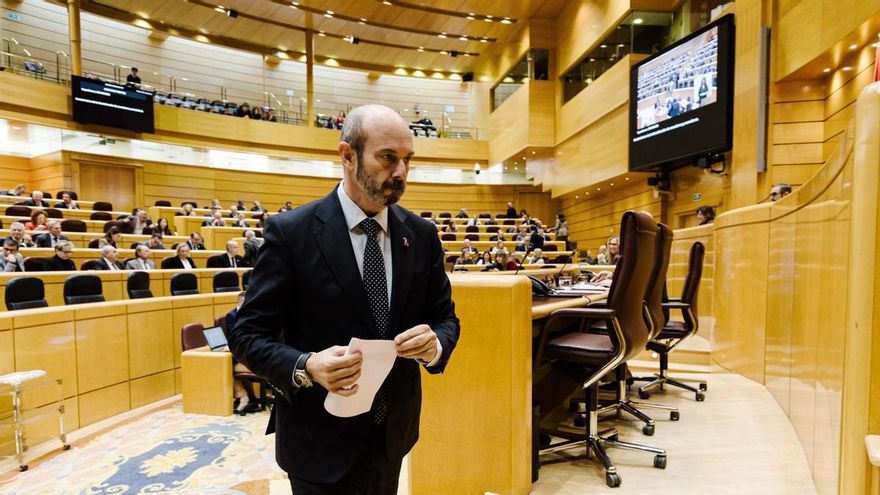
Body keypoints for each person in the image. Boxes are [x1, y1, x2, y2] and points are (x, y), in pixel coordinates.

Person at [228, 104, 460, 494]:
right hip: (317, 441)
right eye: (387, 157)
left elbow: (445, 319)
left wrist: (434, 343)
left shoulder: (421, 234)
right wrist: (307, 365)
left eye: (407, 160)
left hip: (392, 436)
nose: (400, 172)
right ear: (347, 155)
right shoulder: (291, 233)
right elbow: (247, 333)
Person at [226, 292, 263, 415]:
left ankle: (246, 396)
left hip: (252, 353)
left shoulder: (251, 314)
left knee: (231, 367)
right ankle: (244, 396)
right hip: (240, 349)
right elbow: (235, 336)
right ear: (239, 302)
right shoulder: (231, 316)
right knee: (227, 366)